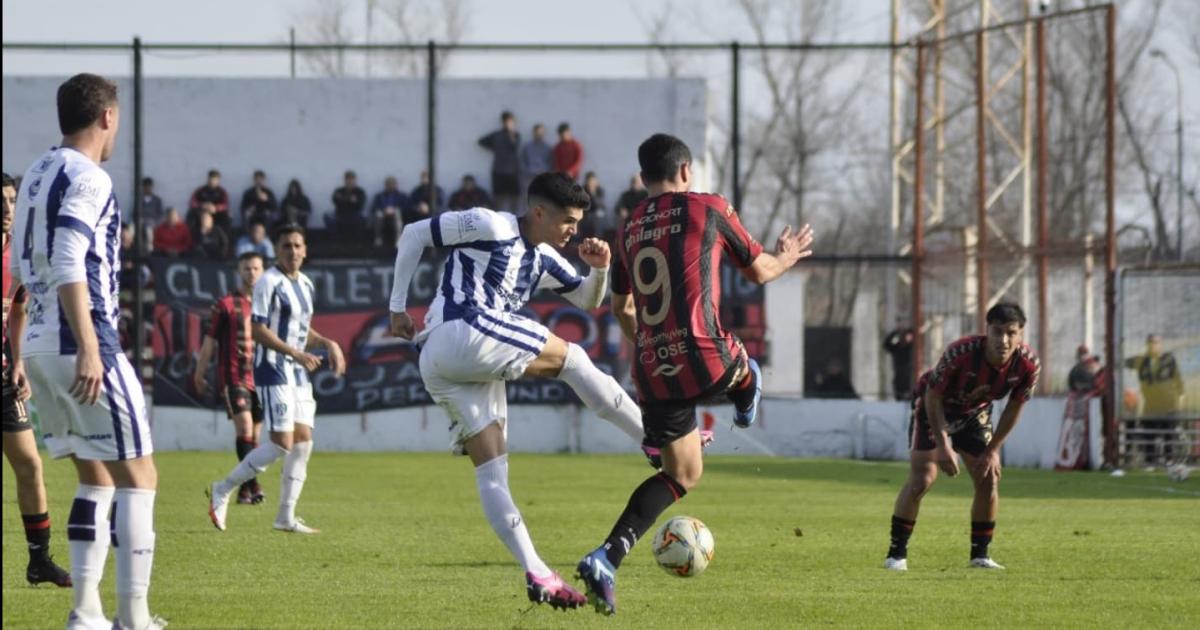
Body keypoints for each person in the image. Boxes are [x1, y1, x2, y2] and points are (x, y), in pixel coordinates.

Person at [575, 133, 813, 616]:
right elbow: (760, 272)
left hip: (652, 368)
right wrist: (787, 255)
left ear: (644, 180)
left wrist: (649, 340)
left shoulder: (628, 228)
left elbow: (620, 306)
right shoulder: (709, 207)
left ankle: (606, 557)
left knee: (681, 473)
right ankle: (746, 396)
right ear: (686, 171)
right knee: (742, 366)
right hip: (707, 355)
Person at [387, 172, 649, 610]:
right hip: (460, 330)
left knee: (492, 470)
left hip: (442, 362)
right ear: (540, 212)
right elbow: (415, 233)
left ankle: (537, 571)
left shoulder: (543, 257)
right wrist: (397, 308)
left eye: (579, 221)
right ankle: (654, 439)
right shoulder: (491, 225)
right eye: (568, 220)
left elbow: (588, 299)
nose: (574, 230)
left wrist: (600, 269)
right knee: (575, 360)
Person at [12, 73, 163, 630]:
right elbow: (71, 255)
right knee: (140, 477)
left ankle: (86, 611)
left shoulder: (36, 173)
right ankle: (134, 617)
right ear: (106, 117)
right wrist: (91, 348)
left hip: (38, 346)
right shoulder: (89, 176)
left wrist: (29, 341)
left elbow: (22, 265)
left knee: (95, 477)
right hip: (81, 343)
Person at [208, 225, 346, 535]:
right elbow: (256, 329)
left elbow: (301, 331)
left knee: (303, 443)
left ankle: (285, 517)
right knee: (282, 443)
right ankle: (223, 488)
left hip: (297, 371)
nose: (293, 251)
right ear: (278, 250)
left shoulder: (307, 284)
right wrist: (294, 354)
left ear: (305, 250)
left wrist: (327, 343)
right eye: (286, 246)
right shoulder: (269, 282)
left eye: (298, 245)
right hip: (273, 368)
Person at [884, 302, 1040, 573]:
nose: (1003, 340)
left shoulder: (1028, 364)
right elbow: (932, 395)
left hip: (973, 414)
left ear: (1021, 333)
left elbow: (1015, 407)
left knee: (989, 477)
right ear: (987, 331)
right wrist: (944, 444)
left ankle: (980, 555)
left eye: (1011, 332)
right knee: (923, 479)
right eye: (997, 331)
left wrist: (993, 449)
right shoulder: (962, 352)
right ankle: (896, 555)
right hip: (934, 408)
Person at [3, 171, 73, 589]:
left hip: (3, 376)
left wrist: (19, 361)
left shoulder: (16, 258)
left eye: (11, 201)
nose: (7, 209)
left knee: (30, 464)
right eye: (1, 201)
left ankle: (39, 560)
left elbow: (17, 310)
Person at [194, 252, 267, 506]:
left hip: (263, 377)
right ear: (239, 271)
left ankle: (244, 490)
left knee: (255, 436)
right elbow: (210, 341)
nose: (252, 273)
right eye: (247, 269)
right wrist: (200, 372)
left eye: (256, 268)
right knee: (245, 428)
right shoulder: (225, 305)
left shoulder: (268, 304)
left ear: (263, 271)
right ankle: (254, 485)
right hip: (234, 375)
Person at [1123, 334, 1185, 464]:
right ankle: (1150, 461)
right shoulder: (1141, 360)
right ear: (1147, 344)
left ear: (1160, 344)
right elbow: (1122, 362)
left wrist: (1180, 400)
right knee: (1149, 435)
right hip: (1150, 406)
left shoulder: (1168, 359)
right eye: (1151, 342)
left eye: (1156, 342)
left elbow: (1178, 380)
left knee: (1169, 434)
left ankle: (1170, 461)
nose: (1153, 345)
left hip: (1168, 404)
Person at [478, 111, 521, 214]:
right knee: (498, 197)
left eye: (510, 122)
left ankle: (514, 217)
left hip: (513, 171)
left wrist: (510, 132)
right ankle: (496, 217)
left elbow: (514, 146)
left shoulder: (516, 135)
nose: (508, 124)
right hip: (498, 170)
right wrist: (495, 148)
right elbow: (481, 141)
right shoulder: (496, 135)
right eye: (506, 122)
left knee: (514, 197)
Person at [370, 176, 411, 247]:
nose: (390, 186)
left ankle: (398, 239)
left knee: (397, 213)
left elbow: (406, 207)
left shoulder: (402, 196)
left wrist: (394, 210)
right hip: (383, 215)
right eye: (388, 184)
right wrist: (384, 210)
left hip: (396, 215)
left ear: (396, 185)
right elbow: (374, 207)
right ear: (385, 185)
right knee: (378, 214)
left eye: (392, 184)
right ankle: (378, 238)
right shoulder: (379, 196)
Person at [190, 168, 231, 233]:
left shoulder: (222, 191)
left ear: (218, 180)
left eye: (215, 180)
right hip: (202, 213)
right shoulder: (200, 190)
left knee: (228, 215)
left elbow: (226, 204)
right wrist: (202, 205)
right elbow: (192, 202)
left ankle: (225, 238)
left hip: (216, 213)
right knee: (190, 214)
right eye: (211, 179)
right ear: (208, 179)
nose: (212, 181)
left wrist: (216, 208)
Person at [518, 123, 553, 194]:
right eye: (537, 132)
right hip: (529, 178)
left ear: (544, 133)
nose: (538, 134)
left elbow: (551, 162)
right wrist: (527, 171)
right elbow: (522, 161)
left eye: (541, 132)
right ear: (533, 133)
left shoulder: (548, 147)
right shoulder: (527, 147)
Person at [883, 324, 916, 400]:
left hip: (910, 380)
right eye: (907, 336)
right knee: (899, 399)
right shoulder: (897, 347)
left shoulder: (912, 349)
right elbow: (886, 344)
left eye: (910, 336)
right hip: (899, 380)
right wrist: (896, 332)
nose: (908, 338)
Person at [577, 171, 609, 240]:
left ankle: (598, 238)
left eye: (593, 181)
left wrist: (593, 193)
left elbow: (599, 205)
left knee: (598, 216)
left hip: (596, 214)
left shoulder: (600, 191)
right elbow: (582, 204)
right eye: (590, 181)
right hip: (585, 214)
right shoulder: (582, 190)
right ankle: (579, 239)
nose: (591, 183)